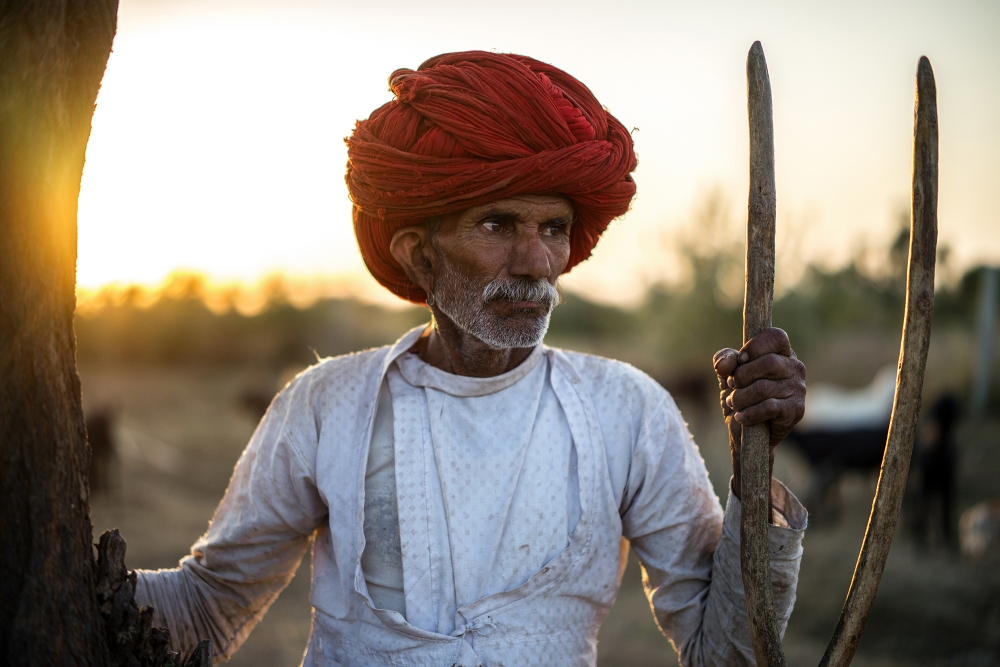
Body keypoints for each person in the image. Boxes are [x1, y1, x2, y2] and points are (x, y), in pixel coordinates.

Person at [136, 51, 808, 667]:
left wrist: (756, 472)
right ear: (416, 253)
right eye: (497, 225)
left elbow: (727, 656)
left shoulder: (627, 409)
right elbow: (206, 608)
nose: (537, 262)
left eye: (553, 229)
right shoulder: (325, 404)